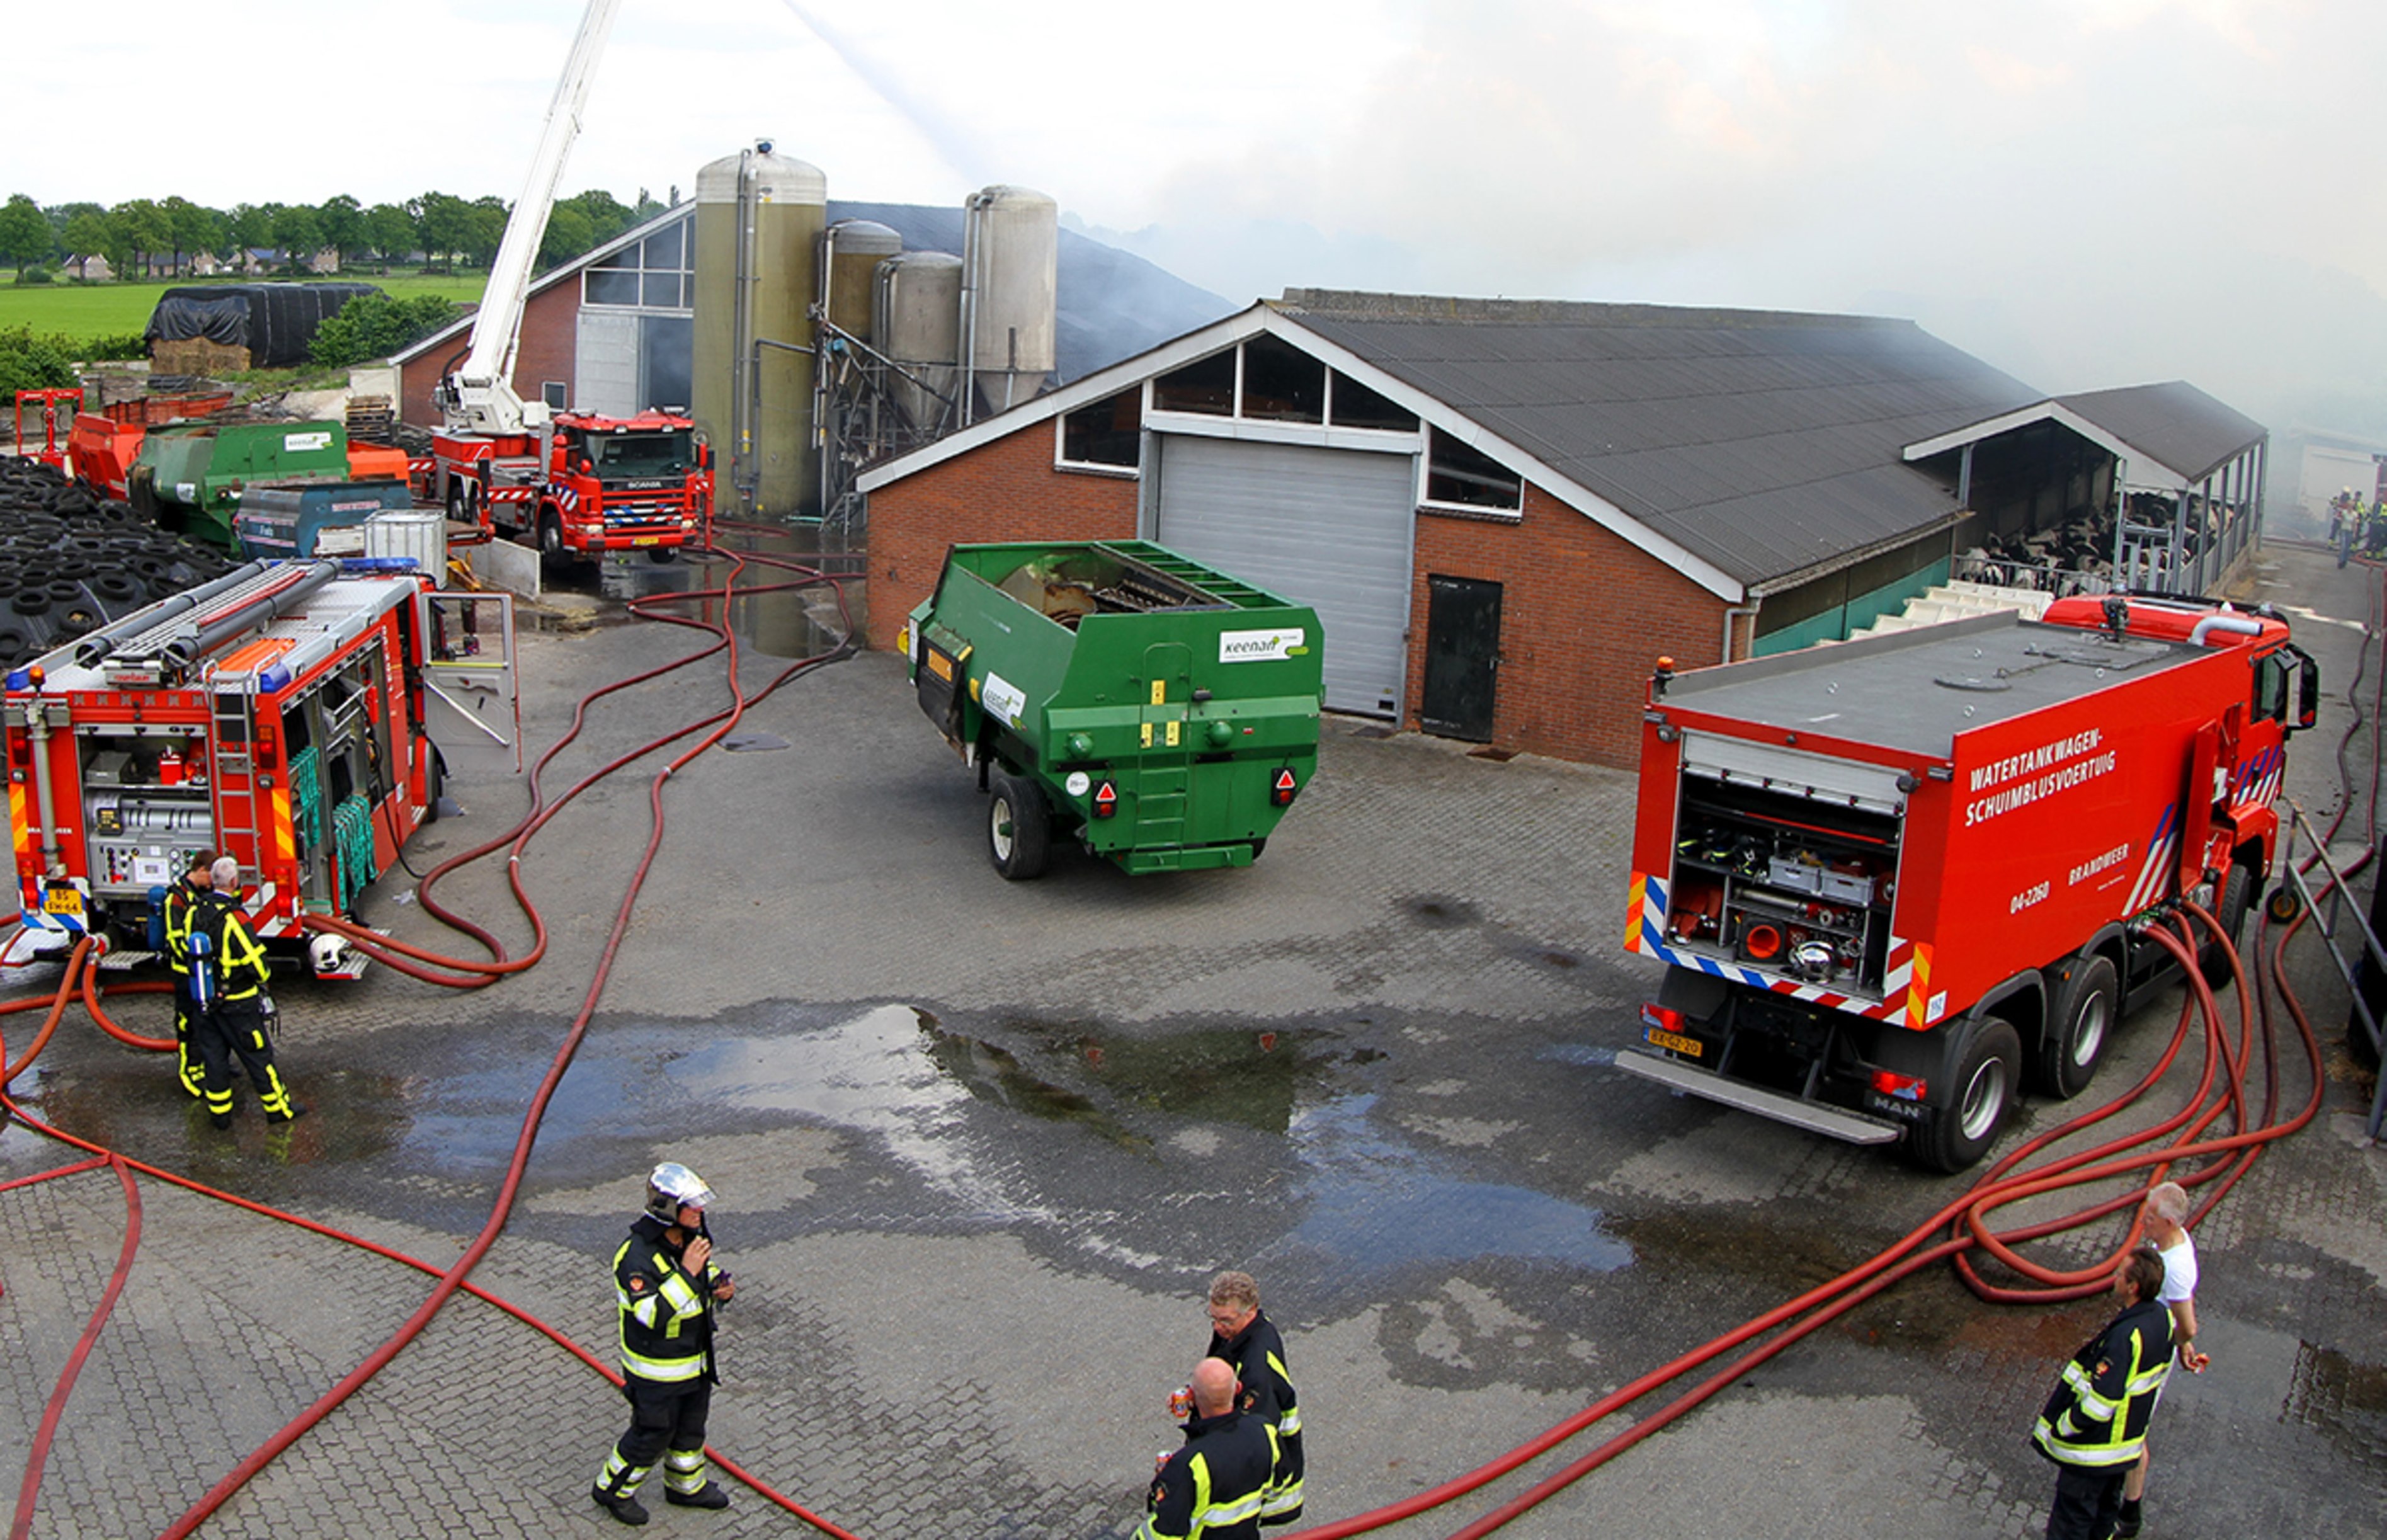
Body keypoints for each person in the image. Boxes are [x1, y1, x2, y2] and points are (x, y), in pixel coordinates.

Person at [593, 1162, 738, 1526]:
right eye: (691, 1205)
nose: (700, 1211)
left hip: (695, 1364)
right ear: (668, 1208)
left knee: (690, 1431)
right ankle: (612, 1490)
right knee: (652, 1434)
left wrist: (721, 1286)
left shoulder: (687, 1240)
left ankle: (685, 1487)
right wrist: (689, 1273)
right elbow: (653, 1316)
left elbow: (704, 1274)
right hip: (656, 1372)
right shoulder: (634, 1258)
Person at [2033, 1248, 2175, 1540]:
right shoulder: (2164, 1319)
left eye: (2120, 1274)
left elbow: (2102, 1402)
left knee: (2071, 1525)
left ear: (2133, 1287)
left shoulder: (2125, 1338)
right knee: (2104, 1517)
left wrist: (2065, 1426)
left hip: (2092, 1455)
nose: (2115, 1277)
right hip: (2122, 1450)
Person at [2116, 1182, 2209, 1538]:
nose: (2143, 1222)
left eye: (2150, 1218)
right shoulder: (2170, 1244)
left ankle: (2129, 1513)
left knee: (2133, 1429)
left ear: (2169, 1222)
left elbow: (2187, 1322)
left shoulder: (2176, 1268)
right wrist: (2185, 1343)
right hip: (2148, 1343)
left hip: (2150, 1357)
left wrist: (2181, 1342)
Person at [190, 857, 299, 1129]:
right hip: (238, 1004)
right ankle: (278, 1110)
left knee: (215, 1060)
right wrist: (264, 978)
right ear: (235, 883)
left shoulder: (196, 911)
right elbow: (255, 961)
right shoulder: (234, 918)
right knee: (259, 1057)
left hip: (205, 1002)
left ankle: (220, 1116)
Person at [1204, 1271, 1304, 1524]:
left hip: (1262, 1480)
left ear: (1251, 1312)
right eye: (1213, 1318)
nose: (1218, 1328)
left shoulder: (1258, 1369)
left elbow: (1255, 1437)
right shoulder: (1238, 1332)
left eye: (1225, 1320)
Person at [1139, 1356, 1275, 1540]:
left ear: (1192, 1398)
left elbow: (1162, 1534)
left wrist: (1167, 1481)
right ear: (1238, 1389)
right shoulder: (1264, 1431)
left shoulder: (1191, 1464)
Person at [159, 851, 215, 1100]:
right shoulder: (177, 899)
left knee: (207, 1022)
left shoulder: (200, 895)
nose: (212, 882)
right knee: (189, 1025)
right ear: (201, 870)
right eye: (210, 876)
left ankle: (205, 1066)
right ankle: (189, 1075)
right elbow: (175, 938)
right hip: (187, 974)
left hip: (203, 972)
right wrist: (196, 962)